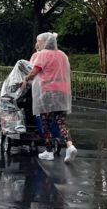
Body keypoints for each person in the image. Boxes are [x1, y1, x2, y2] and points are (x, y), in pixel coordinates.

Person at [25, 32, 78, 163]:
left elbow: (34, 71)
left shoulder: (43, 55)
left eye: (39, 41)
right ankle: (70, 146)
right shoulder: (63, 55)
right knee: (61, 122)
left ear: (45, 42)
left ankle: (49, 151)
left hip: (47, 93)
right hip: (63, 92)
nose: (37, 44)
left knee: (45, 122)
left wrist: (25, 79)